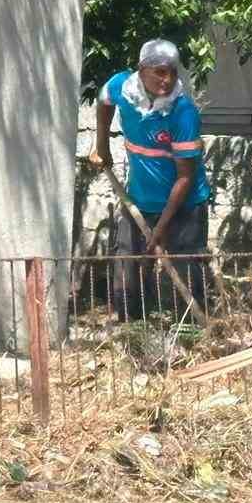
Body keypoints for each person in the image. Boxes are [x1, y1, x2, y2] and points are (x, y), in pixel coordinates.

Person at [88, 39, 214, 317]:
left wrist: (160, 229)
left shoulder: (182, 113)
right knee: (128, 265)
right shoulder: (123, 86)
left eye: (172, 71)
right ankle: (131, 330)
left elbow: (185, 178)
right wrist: (102, 145)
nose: (167, 79)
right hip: (139, 200)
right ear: (142, 70)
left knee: (185, 270)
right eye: (159, 72)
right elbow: (103, 99)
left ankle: (190, 334)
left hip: (183, 206)